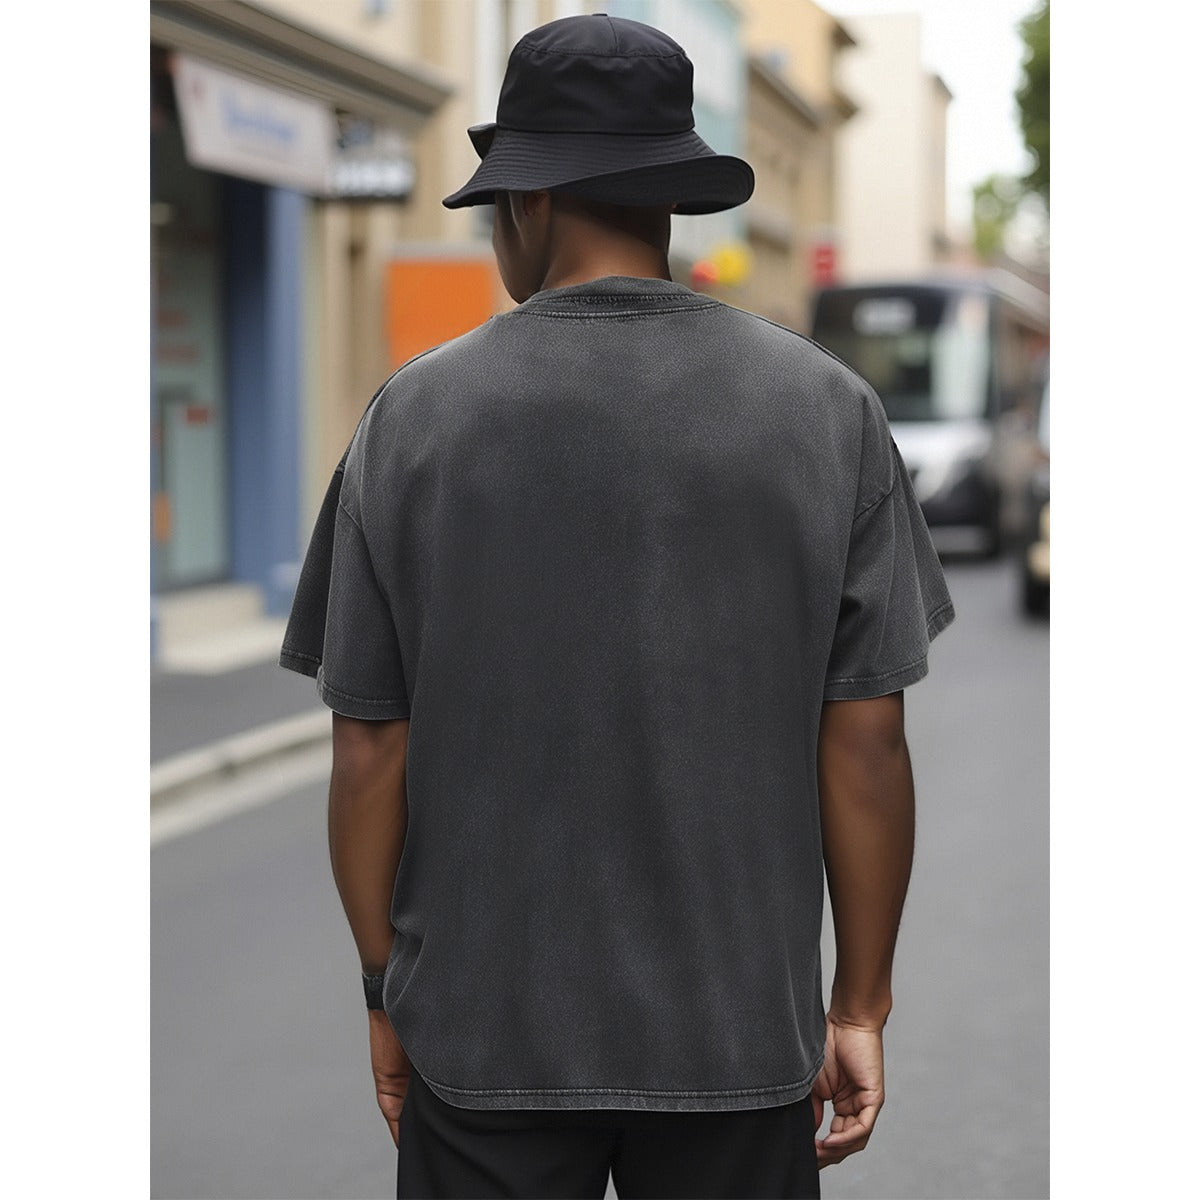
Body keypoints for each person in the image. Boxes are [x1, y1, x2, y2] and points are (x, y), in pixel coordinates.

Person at [280, 14, 955, 1200]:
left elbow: (370, 751)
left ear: (532, 202)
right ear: (669, 199)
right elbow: (866, 744)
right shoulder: (828, 412)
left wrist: (386, 992)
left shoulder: (411, 420)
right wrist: (857, 1003)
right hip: (739, 1043)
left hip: (481, 1044)